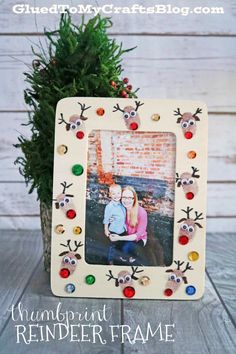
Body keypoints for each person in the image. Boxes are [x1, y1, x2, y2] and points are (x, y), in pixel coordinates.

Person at [109, 186, 147, 264]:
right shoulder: (121, 209)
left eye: (130, 198)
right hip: (126, 234)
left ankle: (129, 262)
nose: (126, 200)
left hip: (139, 239)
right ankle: (110, 263)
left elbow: (137, 235)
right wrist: (112, 220)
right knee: (113, 245)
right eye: (124, 197)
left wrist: (119, 238)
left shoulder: (141, 212)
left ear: (134, 199)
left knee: (126, 248)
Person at [103, 184, 126, 264]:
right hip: (114, 230)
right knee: (113, 247)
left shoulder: (122, 204)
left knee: (121, 244)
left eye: (118, 193)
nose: (116, 196)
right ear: (110, 195)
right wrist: (106, 229)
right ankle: (110, 260)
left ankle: (120, 257)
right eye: (113, 194)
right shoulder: (109, 207)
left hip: (122, 229)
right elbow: (106, 219)